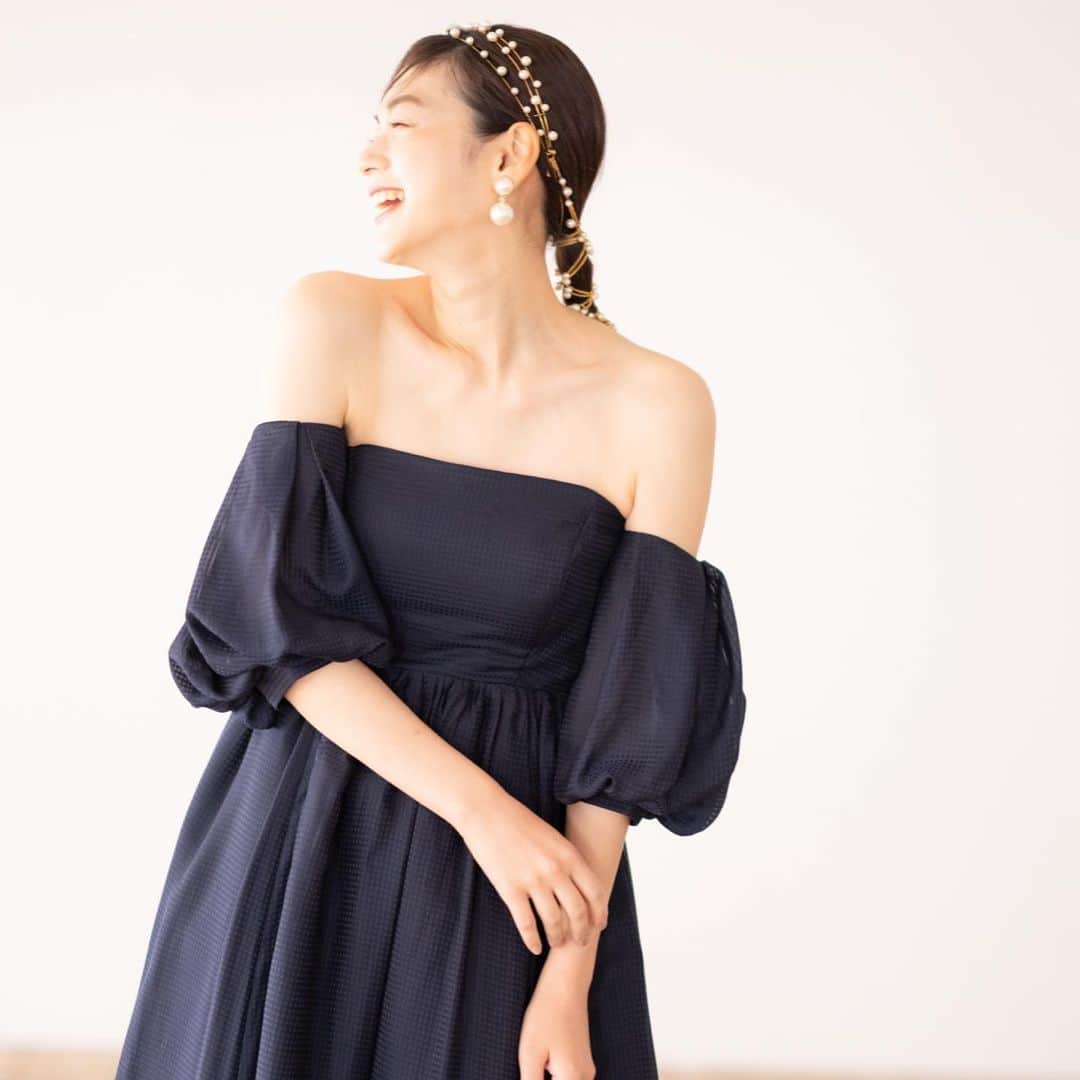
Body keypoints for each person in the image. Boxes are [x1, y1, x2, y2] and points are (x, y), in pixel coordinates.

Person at [116, 22, 747, 1080]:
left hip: (521, 892)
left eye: (400, 126)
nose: (367, 156)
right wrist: (485, 815)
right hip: (303, 829)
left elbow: (630, 705)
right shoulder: (334, 320)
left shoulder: (660, 404)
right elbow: (277, 622)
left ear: (509, 156)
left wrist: (570, 969)